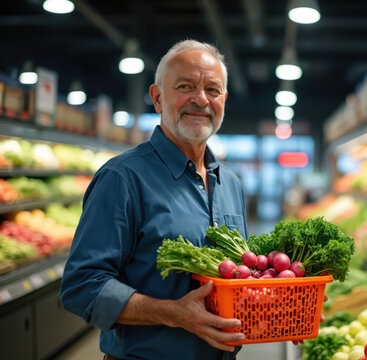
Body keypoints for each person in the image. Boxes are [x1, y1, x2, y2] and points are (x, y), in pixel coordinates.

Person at [60, 40, 248, 360]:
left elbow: (237, 279)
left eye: (212, 90)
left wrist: (283, 313)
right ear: (158, 98)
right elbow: (82, 286)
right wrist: (172, 313)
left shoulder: (230, 183)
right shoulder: (122, 179)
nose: (200, 99)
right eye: (185, 86)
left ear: (224, 100)